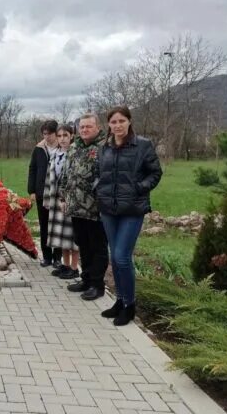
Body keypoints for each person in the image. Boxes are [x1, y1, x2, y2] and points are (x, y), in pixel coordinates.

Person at [96, 106, 162, 326]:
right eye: (113, 122)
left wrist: (139, 188)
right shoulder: (104, 146)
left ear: (129, 122)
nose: (117, 125)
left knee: (123, 256)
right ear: (109, 125)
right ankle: (120, 301)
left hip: (132, 209)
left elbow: (155, 173)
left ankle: (130, 306)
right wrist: (99, 189)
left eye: (121, 121)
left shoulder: (142, 145)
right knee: (114, 257)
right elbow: (99, 173)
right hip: (108, 209)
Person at [59, 113, 108, 301]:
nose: (85, 130)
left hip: (96, 209)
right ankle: (86, 279)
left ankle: (97, 285)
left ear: (97, 128)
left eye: (89, 126)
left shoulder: (104, 148)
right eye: (82, 127)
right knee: (83, 244)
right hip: (75, 207)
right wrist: (63, 197)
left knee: (97, 247)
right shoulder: (73, 148)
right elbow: (66, 174)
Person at [43, 124, 80, 280]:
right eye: (59, 136)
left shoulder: (76, 154)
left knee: (72, 236)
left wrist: (67, 198)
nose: (62, 139)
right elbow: (48, 179)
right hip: (55, 199)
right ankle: (65, 265)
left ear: (71, 136)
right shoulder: (54, 154)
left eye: (65, 135)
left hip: (70, 201)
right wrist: (47, 199)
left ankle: (74, 267)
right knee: (60, 236)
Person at [28, 119, 62, 267]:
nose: (46, 137)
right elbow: (32, 169)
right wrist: (32, 190)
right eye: (44, 134)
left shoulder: (63, 148)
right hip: (42, 192)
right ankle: (47, 257)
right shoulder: (39, 149)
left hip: (59, 193)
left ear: (56, 133)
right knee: (44, 225)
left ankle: (58, 258)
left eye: (49, 134)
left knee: (58, 226)